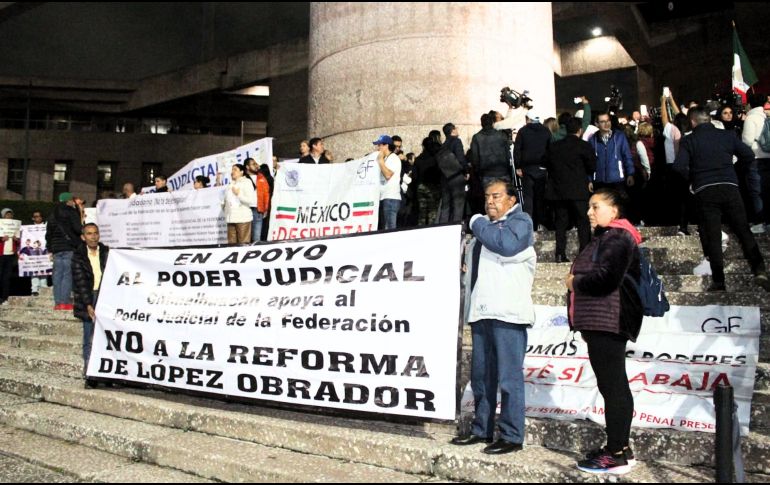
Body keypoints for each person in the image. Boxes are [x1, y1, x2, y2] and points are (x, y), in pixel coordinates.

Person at [452, 179, 535, 455]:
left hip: (508, 314)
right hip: (482, 312)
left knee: (509, 379)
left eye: (497, 196)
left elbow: (506, 244)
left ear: (512, 199)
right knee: (481, 377)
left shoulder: (520, 222)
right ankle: (481, 429)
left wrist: (475, 221)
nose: (490, 202)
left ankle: (512, 435)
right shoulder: (484, 231)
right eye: (487, 196)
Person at [567, 188, 642, 475]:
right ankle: (620, 447)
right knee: (611, 385)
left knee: (614, 387)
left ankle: (616, 453)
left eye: (595, 206)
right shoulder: (608, 237)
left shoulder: (618, 236)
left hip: (608, 321)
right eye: (589, 206)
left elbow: (607, 278)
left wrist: (575, 283)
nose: (589, 212)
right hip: (599, 321)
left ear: (614, 211)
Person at [674, 107, 770, 292]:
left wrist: (693, 179)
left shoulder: (689, 140)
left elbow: (678, 167)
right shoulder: (728, 135)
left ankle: (719, 281)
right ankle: (760, 270)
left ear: (693, 122)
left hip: (705, 190)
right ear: (709, 119)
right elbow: (748, 155)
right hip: (729, 186)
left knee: (713, 235)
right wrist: (731, 169)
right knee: (743, 230)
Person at [544, 117, 596, 262]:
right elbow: (592, 166)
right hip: (578, 190)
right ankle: (584, 254)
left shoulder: (554, 146)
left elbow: (546, 162)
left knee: (561, 223)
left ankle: (560, 253)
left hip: (558, 191)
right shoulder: (583, 146)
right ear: (580, 130)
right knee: (582, 222)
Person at [71, 223, 109, 389]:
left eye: (95, 233)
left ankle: (107, 373)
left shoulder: (107, 252)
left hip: (105, 296)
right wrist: (88, 304)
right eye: (89, 234)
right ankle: (90, 373)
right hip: (88, 296)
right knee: (89, 337)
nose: (93, 236)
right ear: (83, 237)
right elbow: (80, 282)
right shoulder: (78, 255)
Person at [515, 110, 552, 229]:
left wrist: (518, 166)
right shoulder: (546, 131)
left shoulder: (523, 131)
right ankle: (541, 222)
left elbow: (517, 150)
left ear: (528, 119)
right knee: (540, 197)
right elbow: (550, 149)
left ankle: (529, 223)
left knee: (528, 198)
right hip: (542, 168)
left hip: (527, 169)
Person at [46, 192, 82, 310]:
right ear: (68, 201)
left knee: (57, 275)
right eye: (72, 200)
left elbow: (48, 234)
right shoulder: (71, 211)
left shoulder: (52, 214)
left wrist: (50, 248)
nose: (73, 202)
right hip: (68, 247)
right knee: (67, 274)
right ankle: (65, 302)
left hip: (56, 248)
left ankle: (57, 303)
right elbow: (78, 229)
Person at [588, 111, 635, 194]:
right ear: (596, 124)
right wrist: (590, 180)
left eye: (608, 120)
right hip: (599, 180)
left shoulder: (619, 136)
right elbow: (589, 162)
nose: (606, 123)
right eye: (602, 122)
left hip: (617, 179)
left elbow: (627, 155)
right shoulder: (592, 139)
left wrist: (630, 174)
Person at [438, 123, 469, 223]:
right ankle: (456, 227)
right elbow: (461, 158)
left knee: (446, 205)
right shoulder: (456, 141)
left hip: (445, 177)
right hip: (456, 177)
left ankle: (443, 227)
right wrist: (466, 171)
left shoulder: (443, 145)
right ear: (453, 131)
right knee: (458, 205)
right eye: (456, 128)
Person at [469, 113, 511, 185]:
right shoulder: (502, 135)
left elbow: (475, 158)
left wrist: (478, 172)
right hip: (502, 171)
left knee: (490, 195)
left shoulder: (476, 137)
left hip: (486, 174)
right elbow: (508, 154)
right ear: (492, 123)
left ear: (482, 123)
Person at [372, 134, 401, 230]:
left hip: (391, 198)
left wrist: (380, 161)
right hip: (385, 198)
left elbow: (388, 175)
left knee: (390, 229)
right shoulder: (386, 159)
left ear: (386, 146)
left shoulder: (394, 158)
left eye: (380, 145)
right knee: (385, 228)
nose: (378, 148)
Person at [223, 164, 255, 244]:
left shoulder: (247, 182)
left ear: (241, 172)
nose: (232, 172)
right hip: (230, 219)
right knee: (231, 245)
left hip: (242, 218)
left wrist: (238, 194)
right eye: (232, 169)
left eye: (235, 169)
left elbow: (250, 200)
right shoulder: (230, 184)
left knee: (243, 244)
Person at [0, 208, 19, 306]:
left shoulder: (15, 227)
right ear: (3, 216)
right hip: (1, 255)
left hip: (10, 255)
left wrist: (16, 239)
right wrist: (1, 239)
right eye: (7, 214)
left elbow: (21, 241)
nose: (9, 216)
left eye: (11, 215)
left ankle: (5, 297)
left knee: (7, 277)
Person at [29, 211, 49, 296]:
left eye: (40, 216)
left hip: (44, 250)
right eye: (36, 216)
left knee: (44, 269)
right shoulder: (29, 228)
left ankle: (44, 287)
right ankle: (34, 289)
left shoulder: (46, 226)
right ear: (33, 218)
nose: (38, 217)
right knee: (34, 270)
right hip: (33, 252)